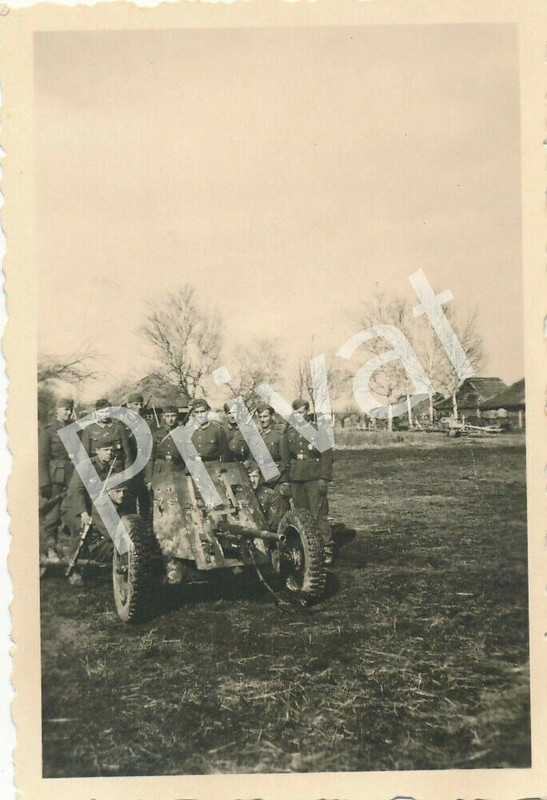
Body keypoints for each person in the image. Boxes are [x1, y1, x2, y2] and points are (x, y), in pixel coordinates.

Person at [280, 398, 335, 564]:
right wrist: (285, 480)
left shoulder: (317, 430)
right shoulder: (289, 433)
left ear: (307, 412)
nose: (299, 415)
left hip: (313, 476)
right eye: (296, 412)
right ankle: (306, 547)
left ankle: (325, 548)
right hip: (296, 477)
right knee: (300, 514)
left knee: (318, 513)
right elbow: (285, 459)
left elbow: (327, 456)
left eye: (302, 412)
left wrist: (324, 478)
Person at [61, 442, 134, 567]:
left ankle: (106, 557)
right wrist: (83, 513)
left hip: (96, 507)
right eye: (106, 450)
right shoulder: (86, 466)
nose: (109, 453)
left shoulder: (111, 467)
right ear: (97, 450)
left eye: (111, 450)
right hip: (75, 506)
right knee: (81, 529)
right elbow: (75, 491)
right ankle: (74, 566)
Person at [38, 397, 76, 562]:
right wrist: (44, 483)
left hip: (72, 479)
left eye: (69, 409)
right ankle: (50, 548)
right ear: (57, 411)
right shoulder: (48, 431)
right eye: (65, 409)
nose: (68, 412)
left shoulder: (74, 429)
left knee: (72, 514)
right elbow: (42, 459)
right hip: (54, 480)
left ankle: (68, 548)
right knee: (52, 516)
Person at [255, 402, 290, 517]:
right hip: (262, 478)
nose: (262, 420)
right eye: (260, 417)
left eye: (265, 416)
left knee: (280, 510)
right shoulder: (258, 434)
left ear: (272, 416)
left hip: (277, 478)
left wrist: (284, 481)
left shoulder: (279, 434)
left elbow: (285, 460)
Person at [81, 398, 132, 469]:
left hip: (116, 466)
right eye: (101, 412)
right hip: (97, 468)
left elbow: (127, 453)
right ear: (96, 412)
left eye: (107, 412)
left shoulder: (119, 427)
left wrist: (128, 472)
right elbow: (84, 454)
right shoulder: (89, 429)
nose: (104, 415)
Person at [124, 391, 151, 515]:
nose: (139, 407)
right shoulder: (121, 423)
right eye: (136, 404)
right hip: (128, 464)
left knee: (144, 495)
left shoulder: (146, 423)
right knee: (129, 497)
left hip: (143, 464)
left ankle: (146, 524)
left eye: (141, 404)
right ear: (128, 405)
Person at [145, 405, 183, 489]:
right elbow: (150, 458)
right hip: (160, 469)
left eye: (173, 415)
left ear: (177, 416)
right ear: (163, 416)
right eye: (168, 416)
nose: (171, 419)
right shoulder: (156, 434)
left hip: (178, 468)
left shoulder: (183, 433)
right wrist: (149, 479)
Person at [247, 460, 288, 532]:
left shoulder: (271, 495)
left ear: (260, 478)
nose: (252, 480)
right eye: (249, 477)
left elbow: (273, 524)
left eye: (255, 476)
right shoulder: (238, 494)